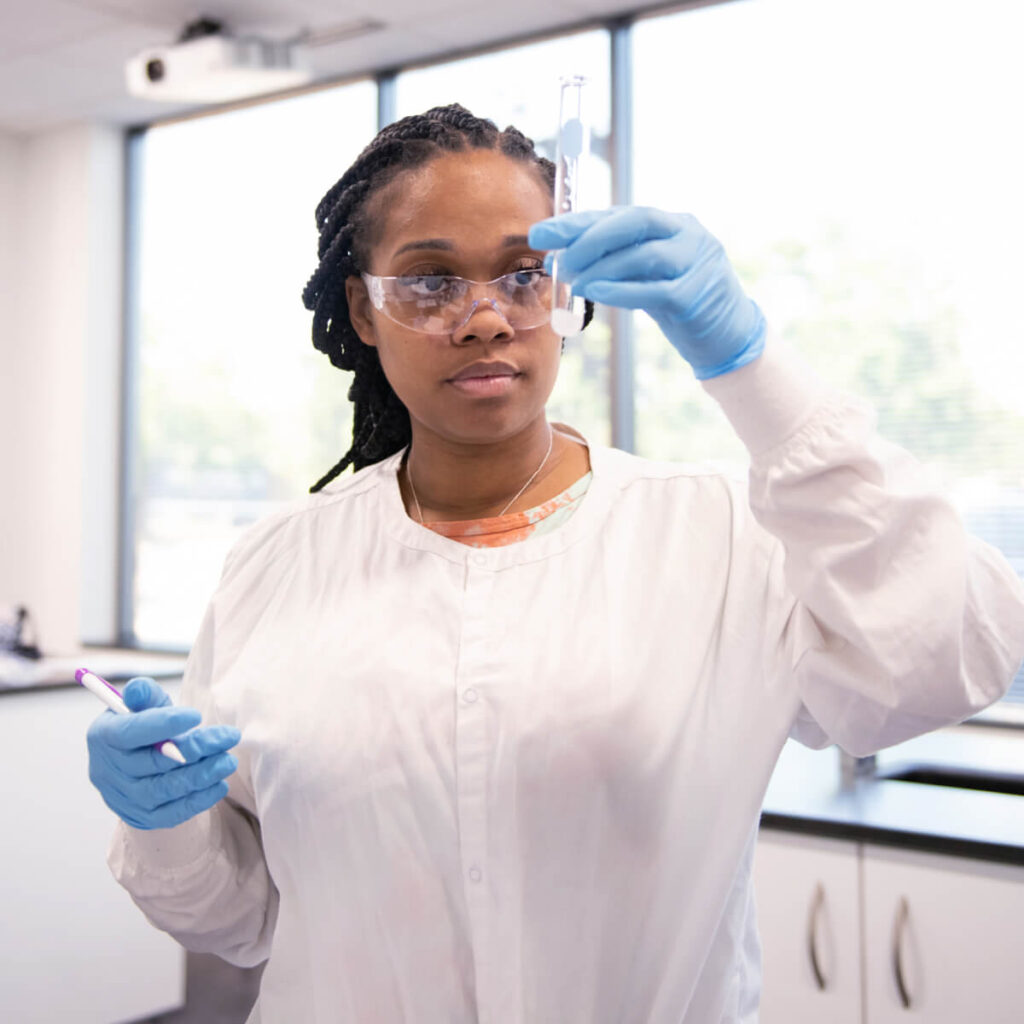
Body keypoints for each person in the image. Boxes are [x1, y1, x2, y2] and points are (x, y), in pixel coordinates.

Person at [87, 104, 1024, 1023]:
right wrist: (165, 821)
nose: (485, 318)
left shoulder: (720, 538)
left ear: (566, 292)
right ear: (361, 315)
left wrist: (748, 365)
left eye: (523, 275)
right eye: (429, 281)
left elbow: (950, 655)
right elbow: (242, 919)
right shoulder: (272, 570)